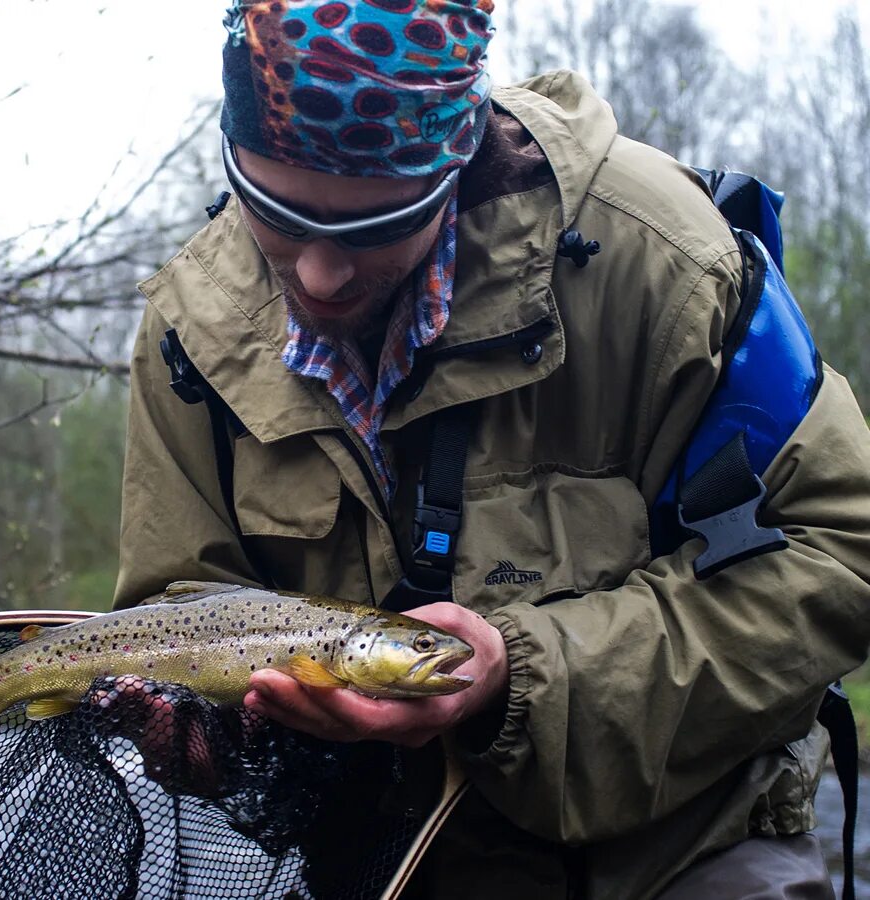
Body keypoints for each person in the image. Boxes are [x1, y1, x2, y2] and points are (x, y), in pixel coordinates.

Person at [113, 1, 870, 897]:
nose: (318, 276)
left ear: (456, 158)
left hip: (685, 851)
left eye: (375, 228)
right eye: (276, 213)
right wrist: (199, 732)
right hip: (377, 865)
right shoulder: (190, 329)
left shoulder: (666, 260)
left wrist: (519, 674)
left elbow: (838, 553)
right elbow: (174, 605)